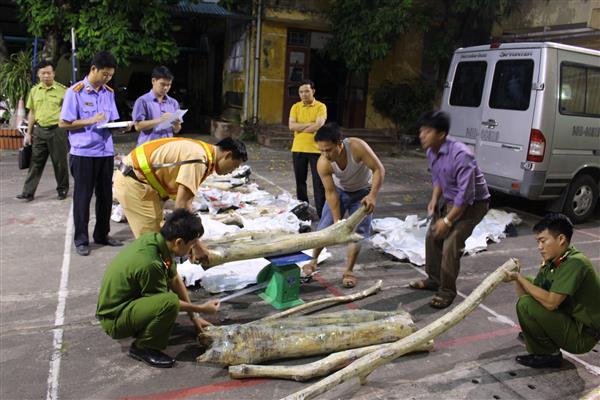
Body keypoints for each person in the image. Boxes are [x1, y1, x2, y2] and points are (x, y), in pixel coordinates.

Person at [96, 208, 220, 368]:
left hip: (126, 305)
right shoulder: (151, 263)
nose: (192, 250)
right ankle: (143, 347)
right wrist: (202, 308)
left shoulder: (155, 241)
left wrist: (194, 317)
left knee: (168, 301)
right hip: (114, 319)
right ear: (179, 242)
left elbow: (174, 278)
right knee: (169, 303)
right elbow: (166, 302)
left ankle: (143, 327)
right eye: (192, 245)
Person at [409, 111, 490, 309]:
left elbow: (466, 196)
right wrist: (434, 199)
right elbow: (438, 178)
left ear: (442, 134)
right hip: (452, 199)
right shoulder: (431, 151)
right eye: (421, 130)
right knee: (432, 236)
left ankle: (447, 291)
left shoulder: (462, 156)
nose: (422, 135)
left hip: (474, 204)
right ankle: (434, 280)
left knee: (451, 243)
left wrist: (447, 221)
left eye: (427, 131)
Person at [503, 213, 600, 369]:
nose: (539, 247)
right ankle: (539, 339)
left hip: (584, 335)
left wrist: (518, 278)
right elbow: (527, 297)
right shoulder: (554, 261)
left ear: (561, 239)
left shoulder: (575, 263)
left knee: (527, 300)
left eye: (543, 241)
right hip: (571, 321)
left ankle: (549, 355)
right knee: (528, 285)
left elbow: (550, 303)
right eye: (538, 242)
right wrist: (518, 279)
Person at [114, 137, 247, 246]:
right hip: (134, 181)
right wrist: (196, 245)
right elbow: (182, 206)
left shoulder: (203, 152)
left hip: (141, 181)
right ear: (228, 155)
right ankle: (147, 275)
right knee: (152, 243)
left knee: (161, 236)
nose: (232, 171)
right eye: (235, 165)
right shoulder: (199, 159)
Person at [59, 51, 129, 256]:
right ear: (93, 69)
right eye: (104, 74)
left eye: (110, 75)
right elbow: (63, 123)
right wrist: (88, 121)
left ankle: (102, 235)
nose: (107, 78)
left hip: (105, 152)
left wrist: (120, 127)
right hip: (83, 154)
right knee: (82, 197)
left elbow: (111, 121)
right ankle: (81, 239)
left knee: (106, 196)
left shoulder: (108, 92)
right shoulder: (75, 92)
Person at [301, 123, 385, 288]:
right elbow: (331, 193)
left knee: (358, 233)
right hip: (340, 191)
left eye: (329, 149)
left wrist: (372, 195)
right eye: (321, 150)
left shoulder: (357, 147)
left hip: (363, 192)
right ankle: (313, 261)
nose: (325, 154)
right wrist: (337, 221)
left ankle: (349, 271)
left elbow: (378, 169)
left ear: (340, 143)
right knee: (325, 228)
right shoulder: (322, 163)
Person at [16, 61, 69, 202]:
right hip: (39, 131)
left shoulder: (63, 91)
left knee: (60, 163)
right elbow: (32, 113)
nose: (46, 75)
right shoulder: (34, 91)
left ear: (53, 74)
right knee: (35, 162)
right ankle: (28, 192)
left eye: (49, 73)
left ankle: (62, 189)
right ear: (39, 75)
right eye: (43, 73)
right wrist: (28, 133)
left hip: (57, 131)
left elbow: (70, 112)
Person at [288, 79, 327, 217]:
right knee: (300, 182)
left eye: (307, 91)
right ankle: (303, 211)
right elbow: (291, 126)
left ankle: (322, 213)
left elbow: (319, 125)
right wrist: (310, 125)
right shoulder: (295, 107)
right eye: (301, 92)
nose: (304, 94)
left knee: (319, 183)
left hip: (316, 150)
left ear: (313, 91)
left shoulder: (321, 107)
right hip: (298, 149)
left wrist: (301, 127)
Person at [132, 66, 182, 146]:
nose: (166, 88)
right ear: (153, 81)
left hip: (167, 147)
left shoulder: (173, 103)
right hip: (148, 148)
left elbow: (176, 130)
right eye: (162, 84)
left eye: (169, 85)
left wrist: (176, 124)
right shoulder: (142, 101)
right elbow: (138, 126)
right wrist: (160, 120)